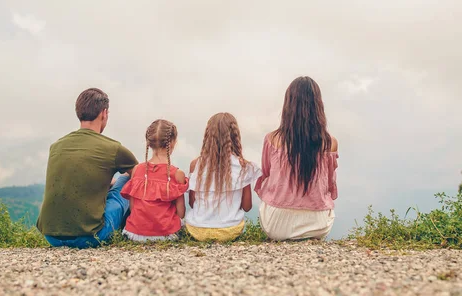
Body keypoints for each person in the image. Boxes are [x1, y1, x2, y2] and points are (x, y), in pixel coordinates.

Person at [37, 88, 138, 248]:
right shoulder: (113, 148)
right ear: (104, 113)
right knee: (128, 178)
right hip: (91, 236)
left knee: (113, 183)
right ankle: (135, 231)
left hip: (51, 236)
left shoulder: (56, 146)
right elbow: (141, 177)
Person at [255, 77, 338, 240]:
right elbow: (330, 185)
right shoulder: (330, 143)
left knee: (268, 182)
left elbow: (265, 175)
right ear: (318, 105)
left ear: (288, 104)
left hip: (276, 225)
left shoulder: (272, 139)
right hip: (318, 224)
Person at [186, 113, 261, 242]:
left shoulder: (195, 165)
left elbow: (192, 203)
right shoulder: (243, 166)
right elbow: (247, 206)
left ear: (208, 136)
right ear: (235, 136)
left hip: (197, 229)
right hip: (230, 230)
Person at [120, 119, 188, 242]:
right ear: (172, 143)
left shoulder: (137, 170)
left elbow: (133, 207)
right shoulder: (177, 174)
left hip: (135, 234)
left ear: (149, 143)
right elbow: (181, 212)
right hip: (167, 235)